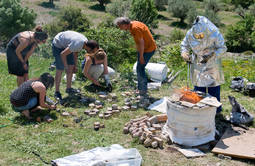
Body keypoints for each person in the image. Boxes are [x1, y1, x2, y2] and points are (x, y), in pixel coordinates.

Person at [180, 16, 227, 113]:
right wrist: (184, 53)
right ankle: (199, 110)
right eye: (197, 36)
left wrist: (212, 55)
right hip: (197, 62)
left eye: (201, 36)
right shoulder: (190, 33)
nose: (199, 38)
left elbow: (222, 48)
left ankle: (215, 111)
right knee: (198, 87)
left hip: (212, 63)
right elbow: (184, 45)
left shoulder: (214, 32)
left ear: (206, 31)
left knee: (213, 87)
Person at [114, 17, 157, 99]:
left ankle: (143, 90)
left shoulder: (135, 28)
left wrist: (141, 56)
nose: (120, 29)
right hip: (145, 48)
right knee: (139, 68)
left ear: (125, 25)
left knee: (140, 68)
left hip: (148, 49)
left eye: (120, 26)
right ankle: (140, 88)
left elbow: (141, 43)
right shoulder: (133, 24)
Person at [52, 31, 98, 100]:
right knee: (60, 69)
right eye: (92, 51)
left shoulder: (84, 43)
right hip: (58, 43)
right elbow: (62, 54)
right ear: (88, 47)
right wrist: (66, 66)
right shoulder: (77, 44)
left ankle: (68, 88)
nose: (92, 53)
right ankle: (57, 92)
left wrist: (75, 66)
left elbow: (75, 53)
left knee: (71, 67)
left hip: (67, 44)